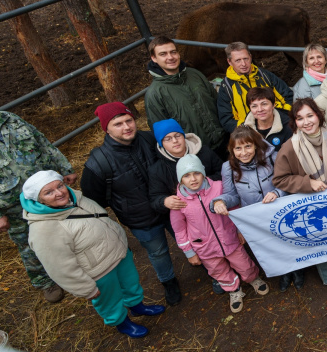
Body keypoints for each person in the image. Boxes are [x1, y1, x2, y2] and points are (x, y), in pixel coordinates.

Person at [0, 86, 75, 303]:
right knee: (30, 242)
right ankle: (45, 281)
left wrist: (64, 168)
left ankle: (78, 260)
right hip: (13, 204)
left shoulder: (9, 119)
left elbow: (42, 143)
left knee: (69, 223)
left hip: (48, 190)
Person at [21, 171, 165, 338]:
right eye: (49, 192)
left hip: (118, 253)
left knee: (131, 283)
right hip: (99, 271)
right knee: (109, 300)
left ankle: (137, 306)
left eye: (60, 186)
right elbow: (59, 267)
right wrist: (85, 289)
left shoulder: (77, 198)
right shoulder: (43, 229)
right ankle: (121, 322)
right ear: (39, 200)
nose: (59, 193)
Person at [81, 102, 182, 306]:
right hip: (141, 218)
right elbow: (94, 200)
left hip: (170, 206)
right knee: (158, 252)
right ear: (106, 129)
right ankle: (168, 281)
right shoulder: (98, 163)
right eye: (118, 124)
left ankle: (207, 262)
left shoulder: (149, 139)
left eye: (129, 120)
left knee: (189, 236)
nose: (126, 127)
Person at [272, 98, 327, 291]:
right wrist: (308, 183)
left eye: (310, 115)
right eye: (300, 118)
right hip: (310, 201)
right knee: (321, 237)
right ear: (295, 122)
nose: (306, 122)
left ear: (318, 115)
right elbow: (280, 179)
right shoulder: (290, 147)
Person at [170, 154, 269, 313]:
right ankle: (233, 289)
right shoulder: (178, 202)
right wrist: (189, 252)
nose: (193, 179)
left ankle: (253, 278)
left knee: (243, 262)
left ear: (203, 173)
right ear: (180, 179)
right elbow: (179, 229)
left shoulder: (219, 187)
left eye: (196, 173)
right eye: (186, 176)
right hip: (204, 247)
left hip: (229, 238)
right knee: (218, 270)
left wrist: (239, 230)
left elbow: (234, 208)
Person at [213, 127, 291, 290]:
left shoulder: (273, 158)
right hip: (255, 218)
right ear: (232, 150)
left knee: (287, 242)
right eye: (238, 148)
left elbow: (287, 182)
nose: (243, 153)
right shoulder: (228, 168)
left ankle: (296, 271)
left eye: (248, 146)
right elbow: (232, 195)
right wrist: (220, 201)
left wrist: (277, 193)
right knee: (270, 247)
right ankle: (284, 272)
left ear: (255, 145)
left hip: (278, 212)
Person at [144, 36, 225, 153]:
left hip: (223, 140)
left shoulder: (195, 74)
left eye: (173, 52)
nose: (170, 57)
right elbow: (162, 132)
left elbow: (217, 101)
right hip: (195, 150)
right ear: (154, 58)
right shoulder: (154, 94)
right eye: (163, 54)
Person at [148, 119, 223, 227]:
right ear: (161, 143)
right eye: (168, 139)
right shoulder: (157, 170)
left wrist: (205, 182)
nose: (175, 141)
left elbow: (223, 173)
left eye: (178, 135)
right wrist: (164, 201)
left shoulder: (204, 152)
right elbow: (155, 197)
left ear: (183, 136)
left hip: (216, 207)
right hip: (189, 220)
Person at [217, 41, 293, 135]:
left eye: (246, 59)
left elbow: (288, 97)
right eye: (238, 60)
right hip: (248, 134)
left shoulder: (265, 75)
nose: (243, 64)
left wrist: (281, 118)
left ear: (250, 57)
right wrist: (248, 129)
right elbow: (226, 119)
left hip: (277, 126)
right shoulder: (227, 87)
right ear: (229, 62)